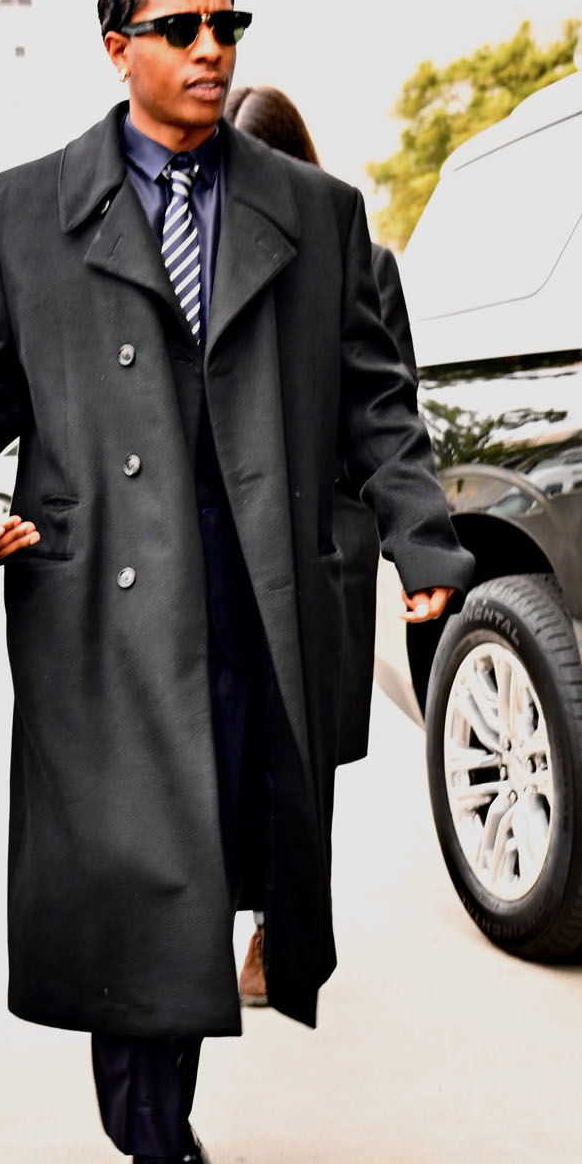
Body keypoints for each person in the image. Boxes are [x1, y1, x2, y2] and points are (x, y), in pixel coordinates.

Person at [0, 0, 474, 1164]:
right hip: (103, 626)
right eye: (181, 28)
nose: (212, 48)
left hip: (259, 607)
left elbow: (377, 402)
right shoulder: (20, 214)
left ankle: (161, 1131)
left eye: (228, 25)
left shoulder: (315, 214)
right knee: (141, 897)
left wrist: (420, 532)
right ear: (119, 46)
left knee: (208, 887)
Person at [225, 84, 421, 1008]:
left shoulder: (361, 261)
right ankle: (220, 918)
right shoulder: (205, 262)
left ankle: (279, 932)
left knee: (301, 762)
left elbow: (388, 403)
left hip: (319, 544)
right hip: (227, 547)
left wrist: (384, 528)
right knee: (225, 744)